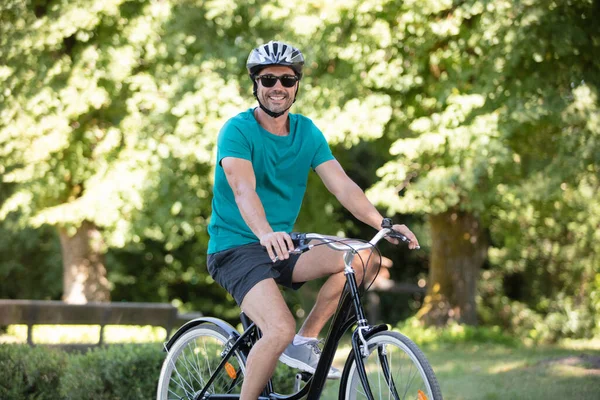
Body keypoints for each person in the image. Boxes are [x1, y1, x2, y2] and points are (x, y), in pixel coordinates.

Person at [207, 40, 420, 400]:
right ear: (255, 84)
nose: (278, 88)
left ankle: (305, 341)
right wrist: (264, 233)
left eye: (287, 80)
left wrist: (382, 223)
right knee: (277, 328)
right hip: (236, 248)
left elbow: (343, 187)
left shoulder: (307, 132)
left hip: (283, 244)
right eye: (268, 79)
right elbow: (243, 190)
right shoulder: (237, 131)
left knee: (364, 257)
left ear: (297, 85)